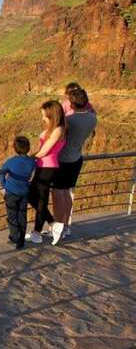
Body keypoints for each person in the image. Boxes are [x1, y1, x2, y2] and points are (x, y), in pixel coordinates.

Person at [51, 88, 97, 244]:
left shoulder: (69, 120)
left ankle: (57, 228)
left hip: (63, 159)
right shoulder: (92, 118)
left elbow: (57, 137)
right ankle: (65, 226)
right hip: (77, 158)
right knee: (68, 192)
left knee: (58, 193)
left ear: (71, 103)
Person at [25, 100, 67, 244]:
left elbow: (44, 152)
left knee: (40, 200)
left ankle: (37, 233)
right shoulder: (54, 128)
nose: (43, 118)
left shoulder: (58, 130)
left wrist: (26, 158)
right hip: (43, 167)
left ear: (52, 115)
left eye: (45, 116)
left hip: (48, 168)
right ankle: (53, 224)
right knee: (32, 196)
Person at [0, 136, 36, 249]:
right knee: (22, 215)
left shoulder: (10, 162)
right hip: (24, 191)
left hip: (11, 191)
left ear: (15, 148)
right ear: (28, 148)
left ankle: (14, 237)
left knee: (12, 215)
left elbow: (1, 174)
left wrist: (4, 185)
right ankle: (21, 240)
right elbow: (33, 175)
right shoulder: (31, 162)